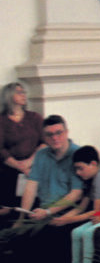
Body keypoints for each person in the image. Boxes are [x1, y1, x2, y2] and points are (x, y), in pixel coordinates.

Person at [10, 114, 83, 263]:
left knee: (48, 235)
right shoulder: (42, 154)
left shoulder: (77, 154)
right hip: (43, 209)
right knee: (19, 233)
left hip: (67, 210)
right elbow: (31, 185)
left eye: (59, 133)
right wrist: (22, 218)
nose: (55, 138)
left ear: (66, 132)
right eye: (49, 134)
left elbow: (75, 193)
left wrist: (49, 212)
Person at [0, 81, 43, 214]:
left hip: (34, 163)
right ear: (9, 96)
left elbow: (44, 142)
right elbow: (1, 149)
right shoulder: (2, 121)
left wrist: (30, 162)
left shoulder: (34, 117)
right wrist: (19, 166)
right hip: (10, 166)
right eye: (19, 92)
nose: (24, 95)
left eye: (24, 92)